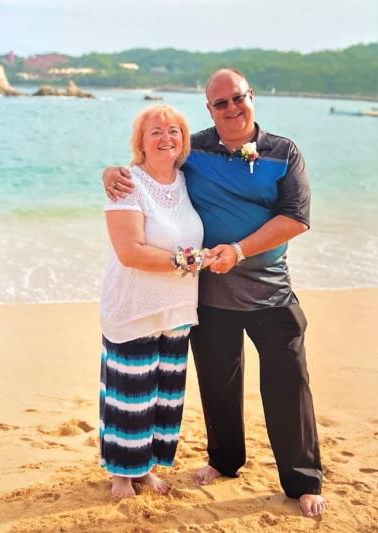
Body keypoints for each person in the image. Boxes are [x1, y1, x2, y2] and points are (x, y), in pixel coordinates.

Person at [102, 68, 326, 517]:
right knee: (218, 387)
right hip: (209, 295)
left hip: (271, 292)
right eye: (220, 103)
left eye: (237, 98)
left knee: (288, 385)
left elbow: (297, 218)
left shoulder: (284, 152)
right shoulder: (194, 149)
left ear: (251, 96)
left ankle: (303, 481)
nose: (231, 108)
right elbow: (152, 166)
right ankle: (224, 462)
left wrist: (240, 250)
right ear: (209, 109)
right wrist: (112, 172)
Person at [99, 105, 214, 498]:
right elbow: (129, 251)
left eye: (174, 131)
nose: (166, 138)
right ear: (140, 142)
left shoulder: (187, 179)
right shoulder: (128, 184)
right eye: (155, 132)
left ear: (184, 140)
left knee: (163, 396)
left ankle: (144, 468)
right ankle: (119, 475)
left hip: (177, 307)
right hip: (134, 306)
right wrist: (189, 261)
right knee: (129, 396)